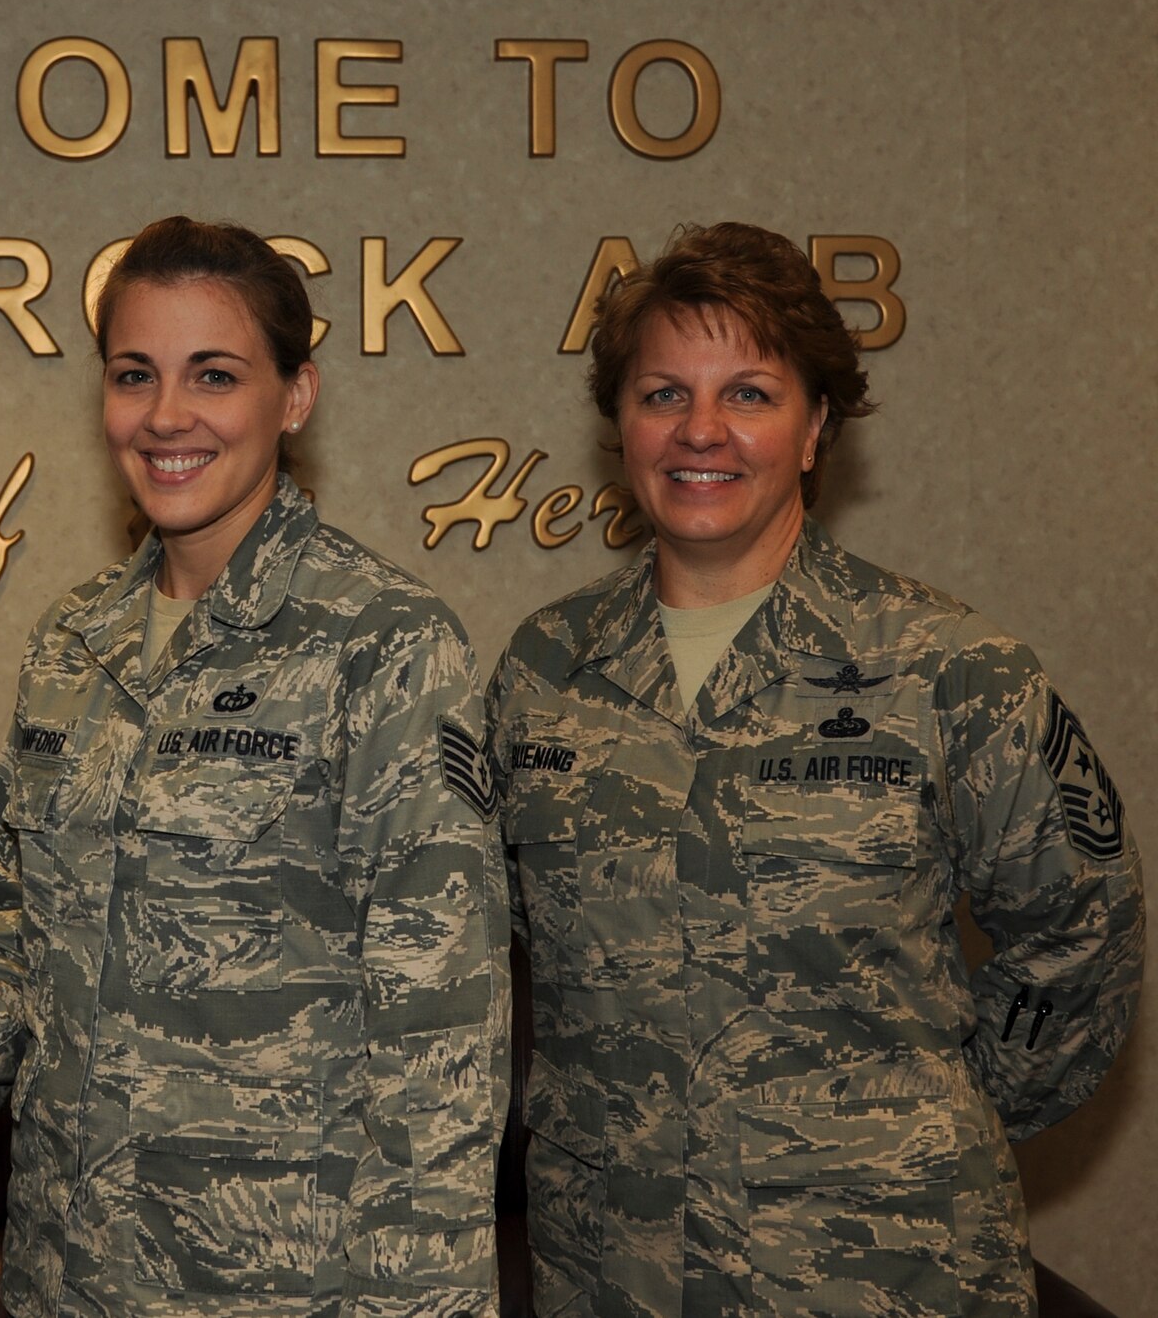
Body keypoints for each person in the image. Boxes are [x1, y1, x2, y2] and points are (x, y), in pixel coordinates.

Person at [0, 216, 509, 1316]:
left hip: (284, 1289)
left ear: (295, 396)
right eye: (133, 373)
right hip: (69, 1274)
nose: (165, 416)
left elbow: (438, 1036)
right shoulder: (71, 641)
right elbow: (16, 931)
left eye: (215, 374)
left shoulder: (382, 642)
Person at [490, 220, 1144, 1317]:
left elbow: (1083, 933)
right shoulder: (542, 670)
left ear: (814, 424)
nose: (699, 430)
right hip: (613, 1272)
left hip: (883, 1270)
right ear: (618, 421)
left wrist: (921, 1120)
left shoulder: (946, 668)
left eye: (747, 392)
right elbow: (494, 940)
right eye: (661, 394)